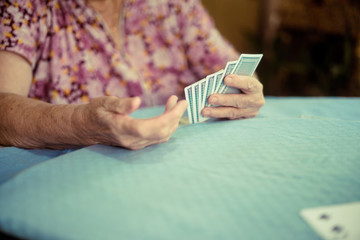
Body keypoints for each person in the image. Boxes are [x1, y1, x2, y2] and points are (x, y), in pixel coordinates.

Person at [0, 0, 265, 150]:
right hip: (76, 178)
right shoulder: (25, 7)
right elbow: (3, 108)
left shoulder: (176, 4)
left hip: (181, 161)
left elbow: (235, 71)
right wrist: (82, 123)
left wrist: (246, 90)